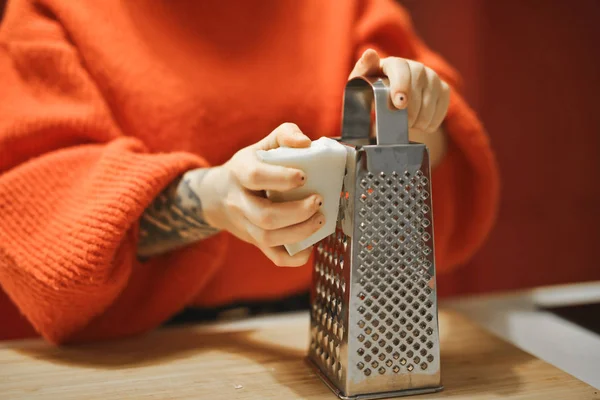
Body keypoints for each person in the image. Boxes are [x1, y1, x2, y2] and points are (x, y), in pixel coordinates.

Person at [0, 0, 499, 343]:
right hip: (147, 349)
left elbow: (431, 159)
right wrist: (215, 197)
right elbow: (39, 202)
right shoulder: (53, 9)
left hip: (329, 324)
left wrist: (414, 113)